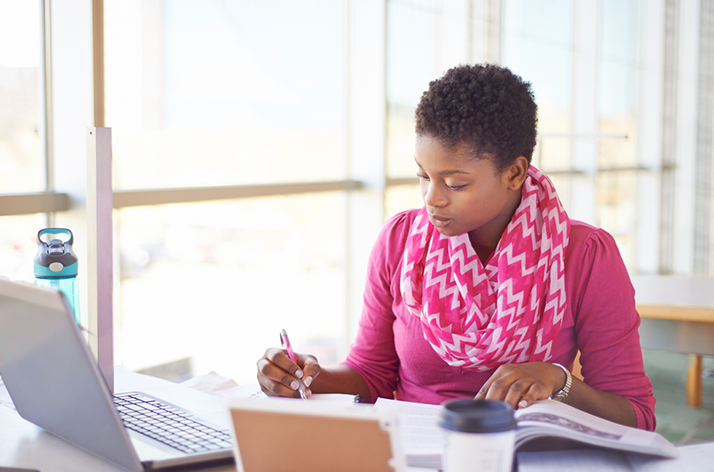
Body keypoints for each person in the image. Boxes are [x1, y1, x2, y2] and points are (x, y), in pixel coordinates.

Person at [256, 64, 656, 431]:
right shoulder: (399, 243)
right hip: (413, 453)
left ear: (514, 172)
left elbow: (636, 416)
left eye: (455, 183)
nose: (432, 199)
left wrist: (558, 381)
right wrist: (306, 377)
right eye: (423, 176)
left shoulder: (583, 255)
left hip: (527, 461)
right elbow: (371, 376)